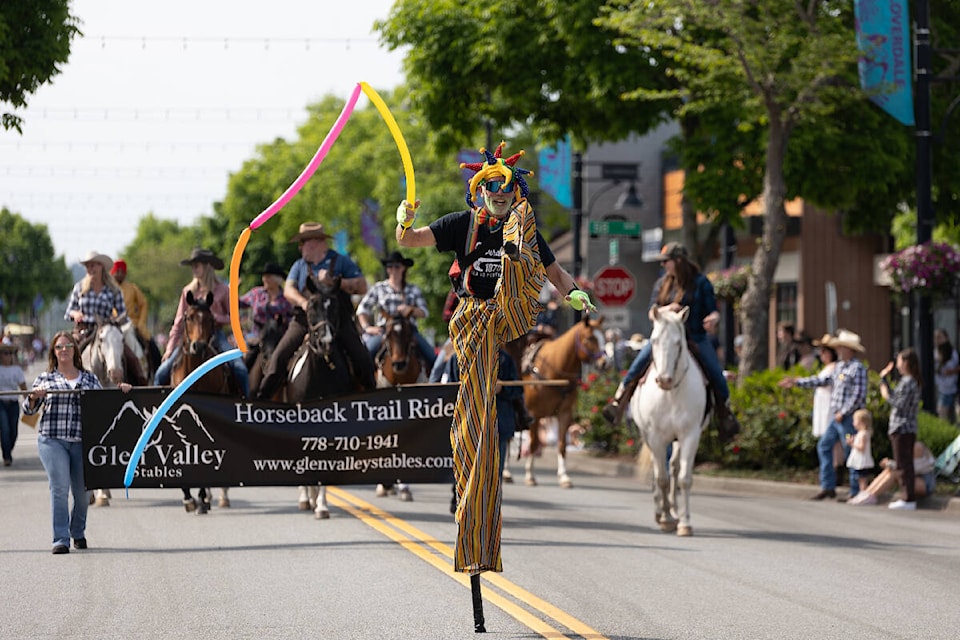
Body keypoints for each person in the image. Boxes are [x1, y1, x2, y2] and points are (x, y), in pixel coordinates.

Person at [396, 141, 591, 575]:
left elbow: (554, 271)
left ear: (514, 190)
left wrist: (573, 292)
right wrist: (403, 220)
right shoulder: (461, 225)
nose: (499, 195)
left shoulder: (522, 226)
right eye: (492, 189)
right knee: (442, 362)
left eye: (506, 188)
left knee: (522, 350)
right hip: (469, 321)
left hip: (510, 318)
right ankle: (447, 413)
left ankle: (518, 410)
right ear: (480, 191)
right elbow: (413, 238)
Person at [601, 242, 739, 437]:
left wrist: (713, 318)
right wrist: (667, 309)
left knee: (716, 372)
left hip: (695, 336)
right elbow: (652, 312)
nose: (663, 265)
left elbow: (713, 311)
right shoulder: (661, 283)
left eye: (666, 261)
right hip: (664, 337)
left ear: (679, 261)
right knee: (639, 363)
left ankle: (725, 415)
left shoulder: (701, 282)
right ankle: (618, 402)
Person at [21, 331, 133, 554]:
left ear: (75, 350)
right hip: (52, 440)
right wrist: (34, 397)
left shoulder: (89, 378)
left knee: (82, 493)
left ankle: (78, 531)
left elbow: (104, 407)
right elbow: (28, 412)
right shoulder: (45, 379)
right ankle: (60, 538)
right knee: (59, 488)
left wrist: (122, 392)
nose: (64, 350)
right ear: (54, 352)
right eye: (59, 347)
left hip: (83, 442)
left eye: (68, 346)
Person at [255, 222, 375, 399]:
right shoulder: (299, 265)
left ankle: (374, 401)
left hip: (337, 319)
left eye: (304, 242)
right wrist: (304, 303)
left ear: (317, 242)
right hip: (305, 320)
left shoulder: (341, 261)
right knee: (278, 358)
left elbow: (362, 286)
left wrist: (335, 280)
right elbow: (288, 290)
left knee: (362, 357)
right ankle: (261, 402)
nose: (301, 247)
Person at [779, 329, 868, 500]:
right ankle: (828, 486)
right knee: (824, 446)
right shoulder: (840, 366)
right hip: (838, 417)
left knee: (852, 451)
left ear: (849, 349)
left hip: (847, 418)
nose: (839, 350)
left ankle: (855, 490)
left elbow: (859, 395)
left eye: (842, 347)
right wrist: (798, 382)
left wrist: (844, 411)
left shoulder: (857, 368)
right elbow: (823, 381)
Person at [154, 248, 249, 397]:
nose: (194, 269)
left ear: (207, 267)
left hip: (215, 335)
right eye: (193, 265)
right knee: (161, 373)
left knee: (240, 369)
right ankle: (156, 408)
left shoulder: (223, 290)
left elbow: (234, 318)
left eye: (197, 265)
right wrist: (169, 349)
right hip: (190, 338)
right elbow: (179, 322)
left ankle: (245, 408)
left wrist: (217, 318)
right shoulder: (187, 291)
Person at [356, 250, 435, 370]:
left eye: (397, 266)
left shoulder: (413, 289)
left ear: (403, 268)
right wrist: (367, 328)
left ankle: (436, 382)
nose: (393, 270)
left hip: (409, 331)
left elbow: (424, 312)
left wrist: (410, 309)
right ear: (387, 269)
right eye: (390, 266)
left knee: (432, 357)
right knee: (365, 357)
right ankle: (365, 385)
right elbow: (362, 309)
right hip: (384, 331)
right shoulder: (379, 288)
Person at [878, 348, 922, 510]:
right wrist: (885, 381)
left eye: (899, 362)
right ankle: (907, 497)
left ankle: (907, 498)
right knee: (905, 463)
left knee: (903, 465)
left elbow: (897, 403)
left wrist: (884, 388)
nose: (897, 366)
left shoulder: (908, 381)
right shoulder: (913, 381)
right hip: (907, 427)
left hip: (902, 427)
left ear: (906, 363)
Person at [238, 262, 294, 370]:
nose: (264, 279)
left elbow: (291, 319)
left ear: (277, 279)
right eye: (264, 276)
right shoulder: (257, 293)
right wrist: (231, 291)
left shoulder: (286, 298)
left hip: (278, 338)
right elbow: (238, 303)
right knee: (244, 363)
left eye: (268, 277)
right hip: (256, 336)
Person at [848, 441, 937, 506]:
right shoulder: (912, 449)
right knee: (889, 470)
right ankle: (867, 493)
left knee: (895, 473)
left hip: (926, 484)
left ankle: (871, 496)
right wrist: (890, 465)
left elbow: (910, 469)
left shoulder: (920, 451)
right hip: (914, 480)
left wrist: (890, 463)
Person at [810, 334, 845, 475]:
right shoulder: (829, 367)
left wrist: (797, 381)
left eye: (824, 351)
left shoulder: (835, 368)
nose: (821, 354)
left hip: (830, 409)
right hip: (824, 407)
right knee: (828, 443)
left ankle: (836, 470)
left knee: (832, 443)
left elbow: (821, 382)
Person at [65, 251, 127, 328]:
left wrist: (115, 321)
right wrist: (75, 314)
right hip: (83, 329)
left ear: (101, 266)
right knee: (63, 339)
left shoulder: (113, 290)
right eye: (87, 267)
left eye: (92, 266)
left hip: (106, 330)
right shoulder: (79, 287)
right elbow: (69, 312)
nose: (90, 269)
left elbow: (123, 314)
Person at [0, 342, 27, 466]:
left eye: (10, 353)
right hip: (1, 402)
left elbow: (23, 387)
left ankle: (7, 449)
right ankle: (7, 456)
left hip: (13, 403)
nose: (8, 356)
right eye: (5, 353)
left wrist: (29, 401)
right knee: (4, 429)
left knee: (13, 432)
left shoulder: (16, 370)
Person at [845, 408, 875, 496]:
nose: (853, 423)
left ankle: (863, 494)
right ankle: (861, 493)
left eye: (855, 420)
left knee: (862, 479)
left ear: (861, 422)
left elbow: (861, 447)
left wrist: (852, 444)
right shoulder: (862, 433)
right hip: (860, 460)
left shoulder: (863, 434)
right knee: (860, 478)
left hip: (861, 461)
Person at [933, 328, 958, 424]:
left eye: (939, 337)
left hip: (949, 388)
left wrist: (951, 371)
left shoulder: (952, 352)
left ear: (946, 338)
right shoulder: (935, 351)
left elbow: (955, 367)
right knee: (947, 416)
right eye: (935, 337)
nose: (937, 340)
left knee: (943, 415)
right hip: (940, 386)